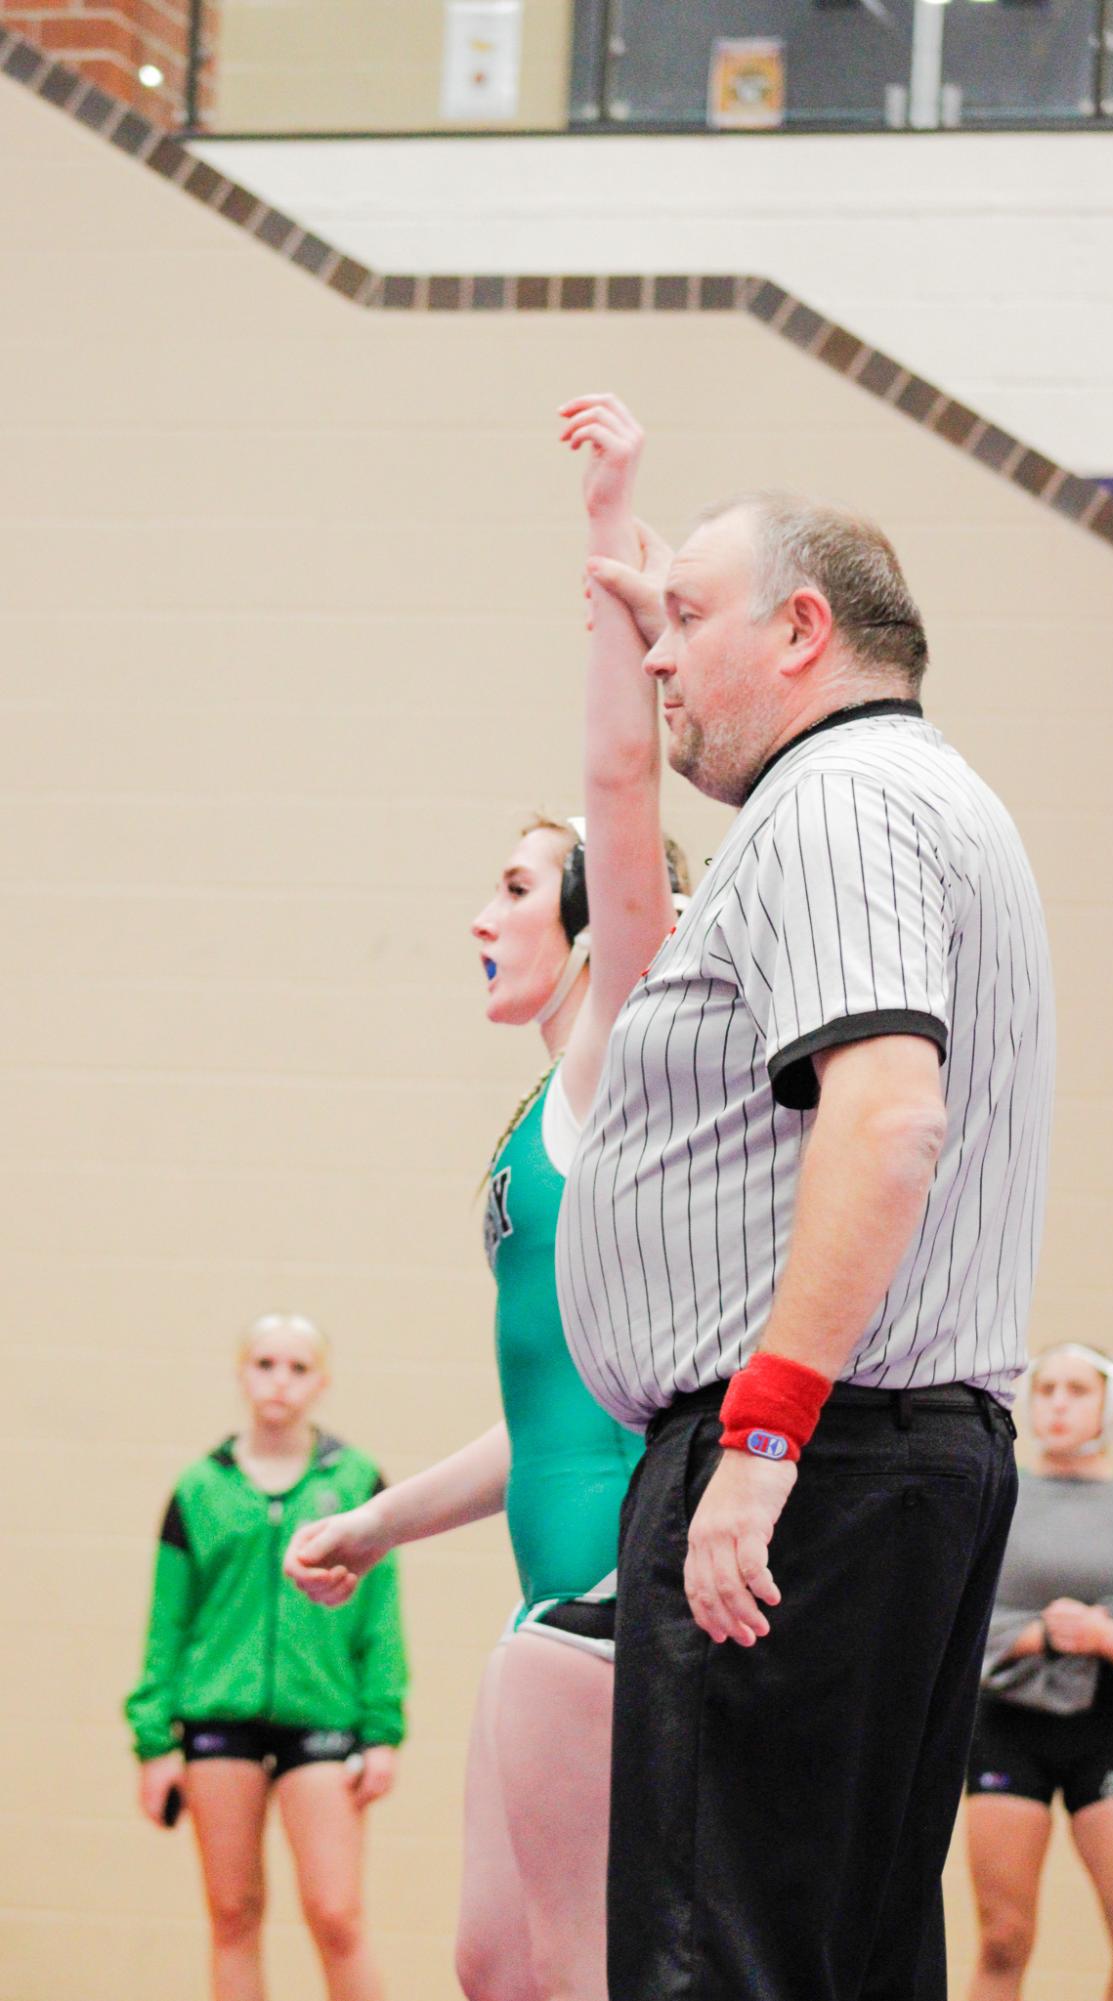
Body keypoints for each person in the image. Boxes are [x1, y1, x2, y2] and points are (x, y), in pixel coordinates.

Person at [556, 481, 1056, 2001]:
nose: (661, 655)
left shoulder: (839, 803)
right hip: (878, 1462)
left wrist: (764, 1440)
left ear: (802, 630)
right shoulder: (921, 796)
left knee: (723, 1963)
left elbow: (889, 1114)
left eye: (689, 617)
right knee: (834, 1960)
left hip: (809, 1463)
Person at [284, 396, 686, 2001]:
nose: (478, 914)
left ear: (595, 930)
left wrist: (608, 532)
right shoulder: (544, 1116)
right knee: (488, 1969)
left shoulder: (612, 1051)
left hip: (608, 1596)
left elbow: (619, 791)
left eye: (515, 886)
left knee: (582, 1979)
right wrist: (380, 1524)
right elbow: (558, 1404)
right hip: (545, 1593)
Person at [125, 1311, 407, 2001]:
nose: (280, 1380)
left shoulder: (359, 1481)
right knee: (232, 1915)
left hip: (324, 1716)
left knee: (337, 1916)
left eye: (298, 1366)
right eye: (265, 1363)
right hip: (217, 1719)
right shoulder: (198, 1489)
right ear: (242, 1371)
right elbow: (168, 1622)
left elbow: (382, 1617)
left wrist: (383, 1729)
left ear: (322, 1381)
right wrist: (153, 1740)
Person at [965, 1342, 1113, 2001]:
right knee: (1005, 1937)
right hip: (1006, 1728)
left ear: (1112, 1405)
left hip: (1103, 1725)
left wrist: (1108, 1634)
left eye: (1077, 1390)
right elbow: (957, 1625)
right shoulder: (997, 1495)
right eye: (1047, 1389)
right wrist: (1033, 1635)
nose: (1058, 1403)